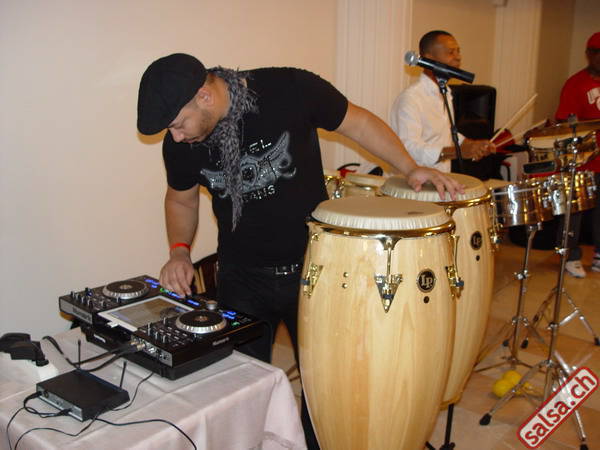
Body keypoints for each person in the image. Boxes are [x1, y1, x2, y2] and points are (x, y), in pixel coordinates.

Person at [136, 53, 462, 449]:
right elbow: (181, 199)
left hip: (314, 271)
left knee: (322, 386)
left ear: (203, 96)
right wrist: (179, 251)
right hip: (241, 276)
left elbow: (358, 123)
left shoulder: (289, 88)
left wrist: (410, 168)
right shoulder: (182, 145)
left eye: (177, 125)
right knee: (241, 387)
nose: (176, 137)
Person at [390, 30, 495, 172]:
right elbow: (409, 148)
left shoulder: (445, 93)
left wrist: (472, 145)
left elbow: (444, 134)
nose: (458, 57)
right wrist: (457, 152)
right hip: (413, 182)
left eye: (458, 51)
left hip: (441, 179)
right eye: (451, 52)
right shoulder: (411, 98)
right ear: (429, 59)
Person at [555, 31, 600, 278]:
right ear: (589, 54)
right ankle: (570, 256)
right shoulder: (576, 84)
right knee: (574, 211)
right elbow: (565, 123)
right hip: (583, 160)